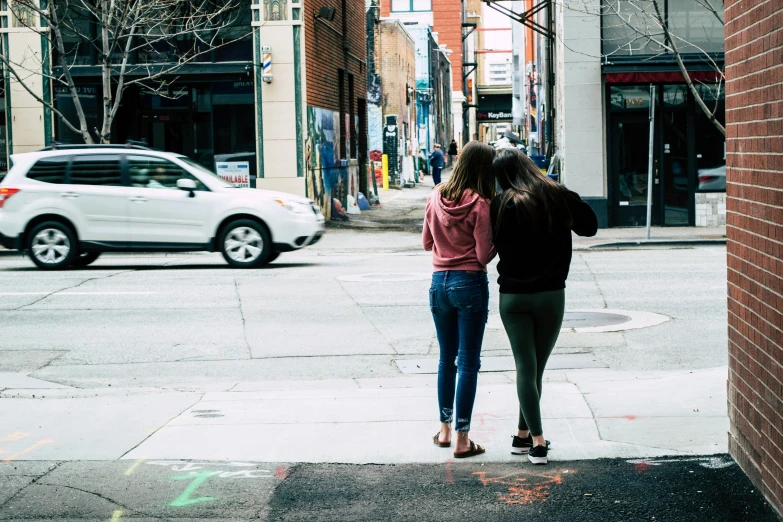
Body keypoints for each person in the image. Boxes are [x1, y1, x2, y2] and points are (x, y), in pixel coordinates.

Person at [491, 149, 597, 465]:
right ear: (528, 166)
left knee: (527, 366)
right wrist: (566, 198)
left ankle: (523, 436)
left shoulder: (499, 204)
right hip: (550, 294)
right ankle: (539, 443)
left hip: (511, 298)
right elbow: (589, 226)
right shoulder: (556, 194)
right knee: (535, 368)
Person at [423, 141, 497, 459]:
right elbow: (483, 255)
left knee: (445, 359)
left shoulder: (434, 196)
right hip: (469, 282)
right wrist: (497, 244)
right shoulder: (481, 204)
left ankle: (444, 431)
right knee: (468, 362)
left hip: (438, 284)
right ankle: (464, 439)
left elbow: (427, 243)